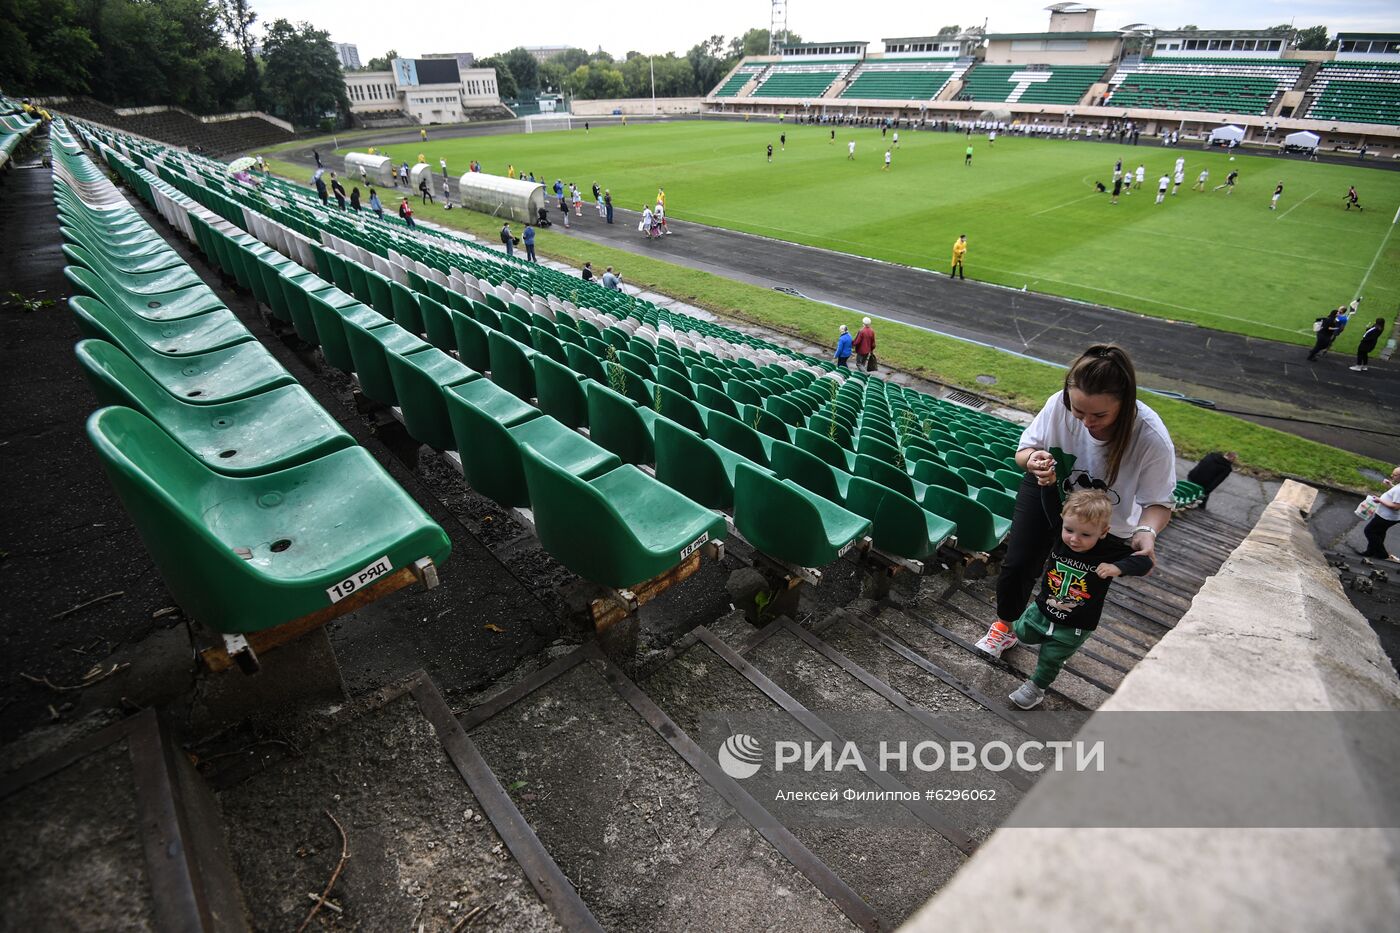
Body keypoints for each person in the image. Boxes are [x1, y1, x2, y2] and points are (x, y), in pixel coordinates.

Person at [974, 345, 1176, 669]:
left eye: (1099, 416)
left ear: (1125, 405)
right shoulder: (1058, 403)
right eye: (1078, 411)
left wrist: (1146, 531)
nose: (1085, 423)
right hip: (1048, 490)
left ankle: (1054, 648)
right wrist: (1033, 461)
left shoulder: (1151, 437)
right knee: (1019, 563)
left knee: (1076, 584)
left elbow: (1158, 502)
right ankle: (1006, 625)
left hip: (1103, 522)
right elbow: (1024, 451)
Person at [1002, 487, 1155, 709]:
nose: (1074, 539)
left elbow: (1145, 563)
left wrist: (1116, 567)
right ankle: (1040, 640)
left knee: (1050, 659)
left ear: (1103, 532)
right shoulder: (1060, 535)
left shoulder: (1108, 551)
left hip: (1076, 624)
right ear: (1063, 522)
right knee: (1022, 632)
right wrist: (1048, 482)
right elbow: (1051, 505)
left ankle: (1036, 687)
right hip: (1043, 608)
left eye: (1085, 535)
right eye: (1070, 530)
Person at [1357, 466, 1400, 562]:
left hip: (1386, 517)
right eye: (1392, 473)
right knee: (1379, 532)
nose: (1391, 475)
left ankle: (1382, 554)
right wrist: (1390, 485)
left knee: (1369, 531)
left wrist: (1380, 500)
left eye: (1395, 475)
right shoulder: (1398, 486)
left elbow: (1396, 507)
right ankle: (1371, 551)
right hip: (1388, 516)